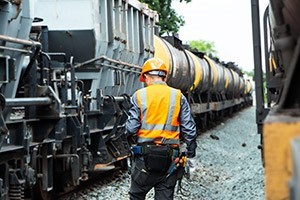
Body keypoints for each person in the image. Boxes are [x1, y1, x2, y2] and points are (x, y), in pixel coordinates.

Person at [125, 57, 197, 200]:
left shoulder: (139, 96)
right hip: (170, 160)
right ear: (165, 77)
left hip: (144, 158)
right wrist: (191, 153)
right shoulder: (178, 96)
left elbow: (130, 129)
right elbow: (189, 129)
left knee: (136, 195)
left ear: (146, 77)